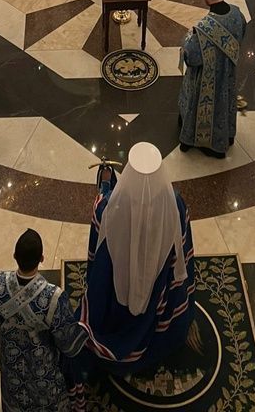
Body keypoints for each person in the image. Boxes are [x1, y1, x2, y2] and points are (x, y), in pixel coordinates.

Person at [78, 142, 195, 374]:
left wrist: (105, 184)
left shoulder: (108, 208)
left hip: (117, 288)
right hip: (158, 286)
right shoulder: (175, 205)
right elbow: (182, 246)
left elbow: (97, 240)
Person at [0, 229, 87, 411]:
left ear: (14, 256)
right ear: (42, 258)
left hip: (11, 362)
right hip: (41, 368)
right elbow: (68, 344)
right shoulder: (53, 297)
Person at [178, 0, 246, 158]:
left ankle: (195, 140)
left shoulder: (203, 29)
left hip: (206, 81)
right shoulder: (237, 14)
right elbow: (241, 36)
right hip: (228, 73)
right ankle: (225, 135)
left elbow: (192, 58)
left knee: (201, 104)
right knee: (224, 104)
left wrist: (187, 39)